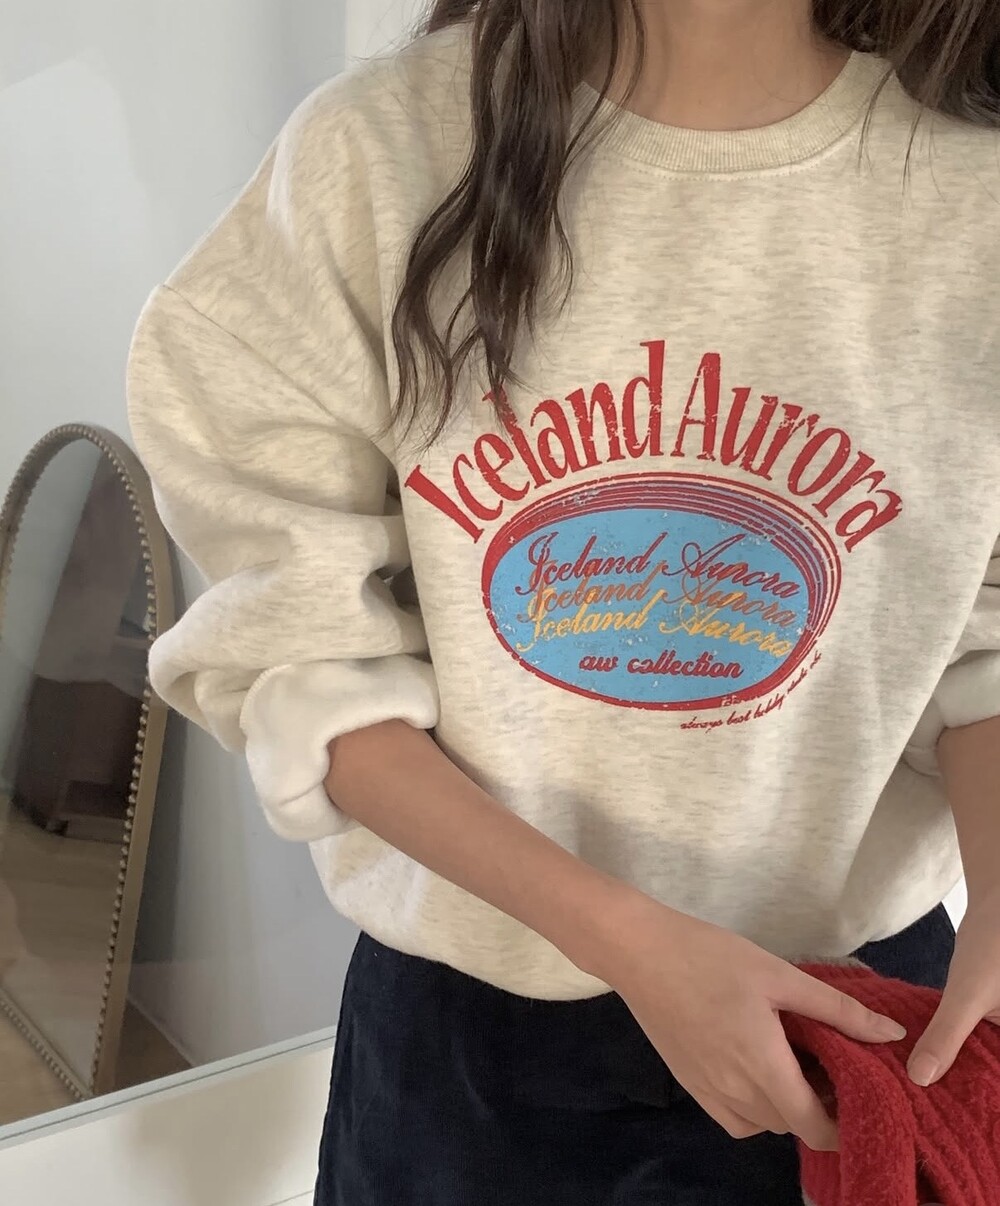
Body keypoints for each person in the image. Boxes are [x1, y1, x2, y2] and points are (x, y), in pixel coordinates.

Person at [125, 2, 1000, 1202]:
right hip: (479, 1041)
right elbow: (295, 652)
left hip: (868, 1033)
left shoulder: (970, 194)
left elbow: (981, 625)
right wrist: (628, 942)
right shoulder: (377, 156)